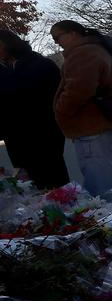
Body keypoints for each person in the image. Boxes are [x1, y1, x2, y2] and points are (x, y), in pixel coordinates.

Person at [50, 21, 112, 210]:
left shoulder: (84, 52)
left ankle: (109, 223)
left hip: (91, 124)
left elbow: (79, 89)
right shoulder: (102, 49)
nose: (57, 42)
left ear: (73, 33)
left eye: (57, 37)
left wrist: (62, 109)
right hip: (111, 121)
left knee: (100, 180)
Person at [0, 29, 69, 188]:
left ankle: (65, 209)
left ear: (10, 44)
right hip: (16, 137)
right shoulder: (6, 70)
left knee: (53, 181)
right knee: (29, 184)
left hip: (43, 133)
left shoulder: (39, 64)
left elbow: (55, 96)